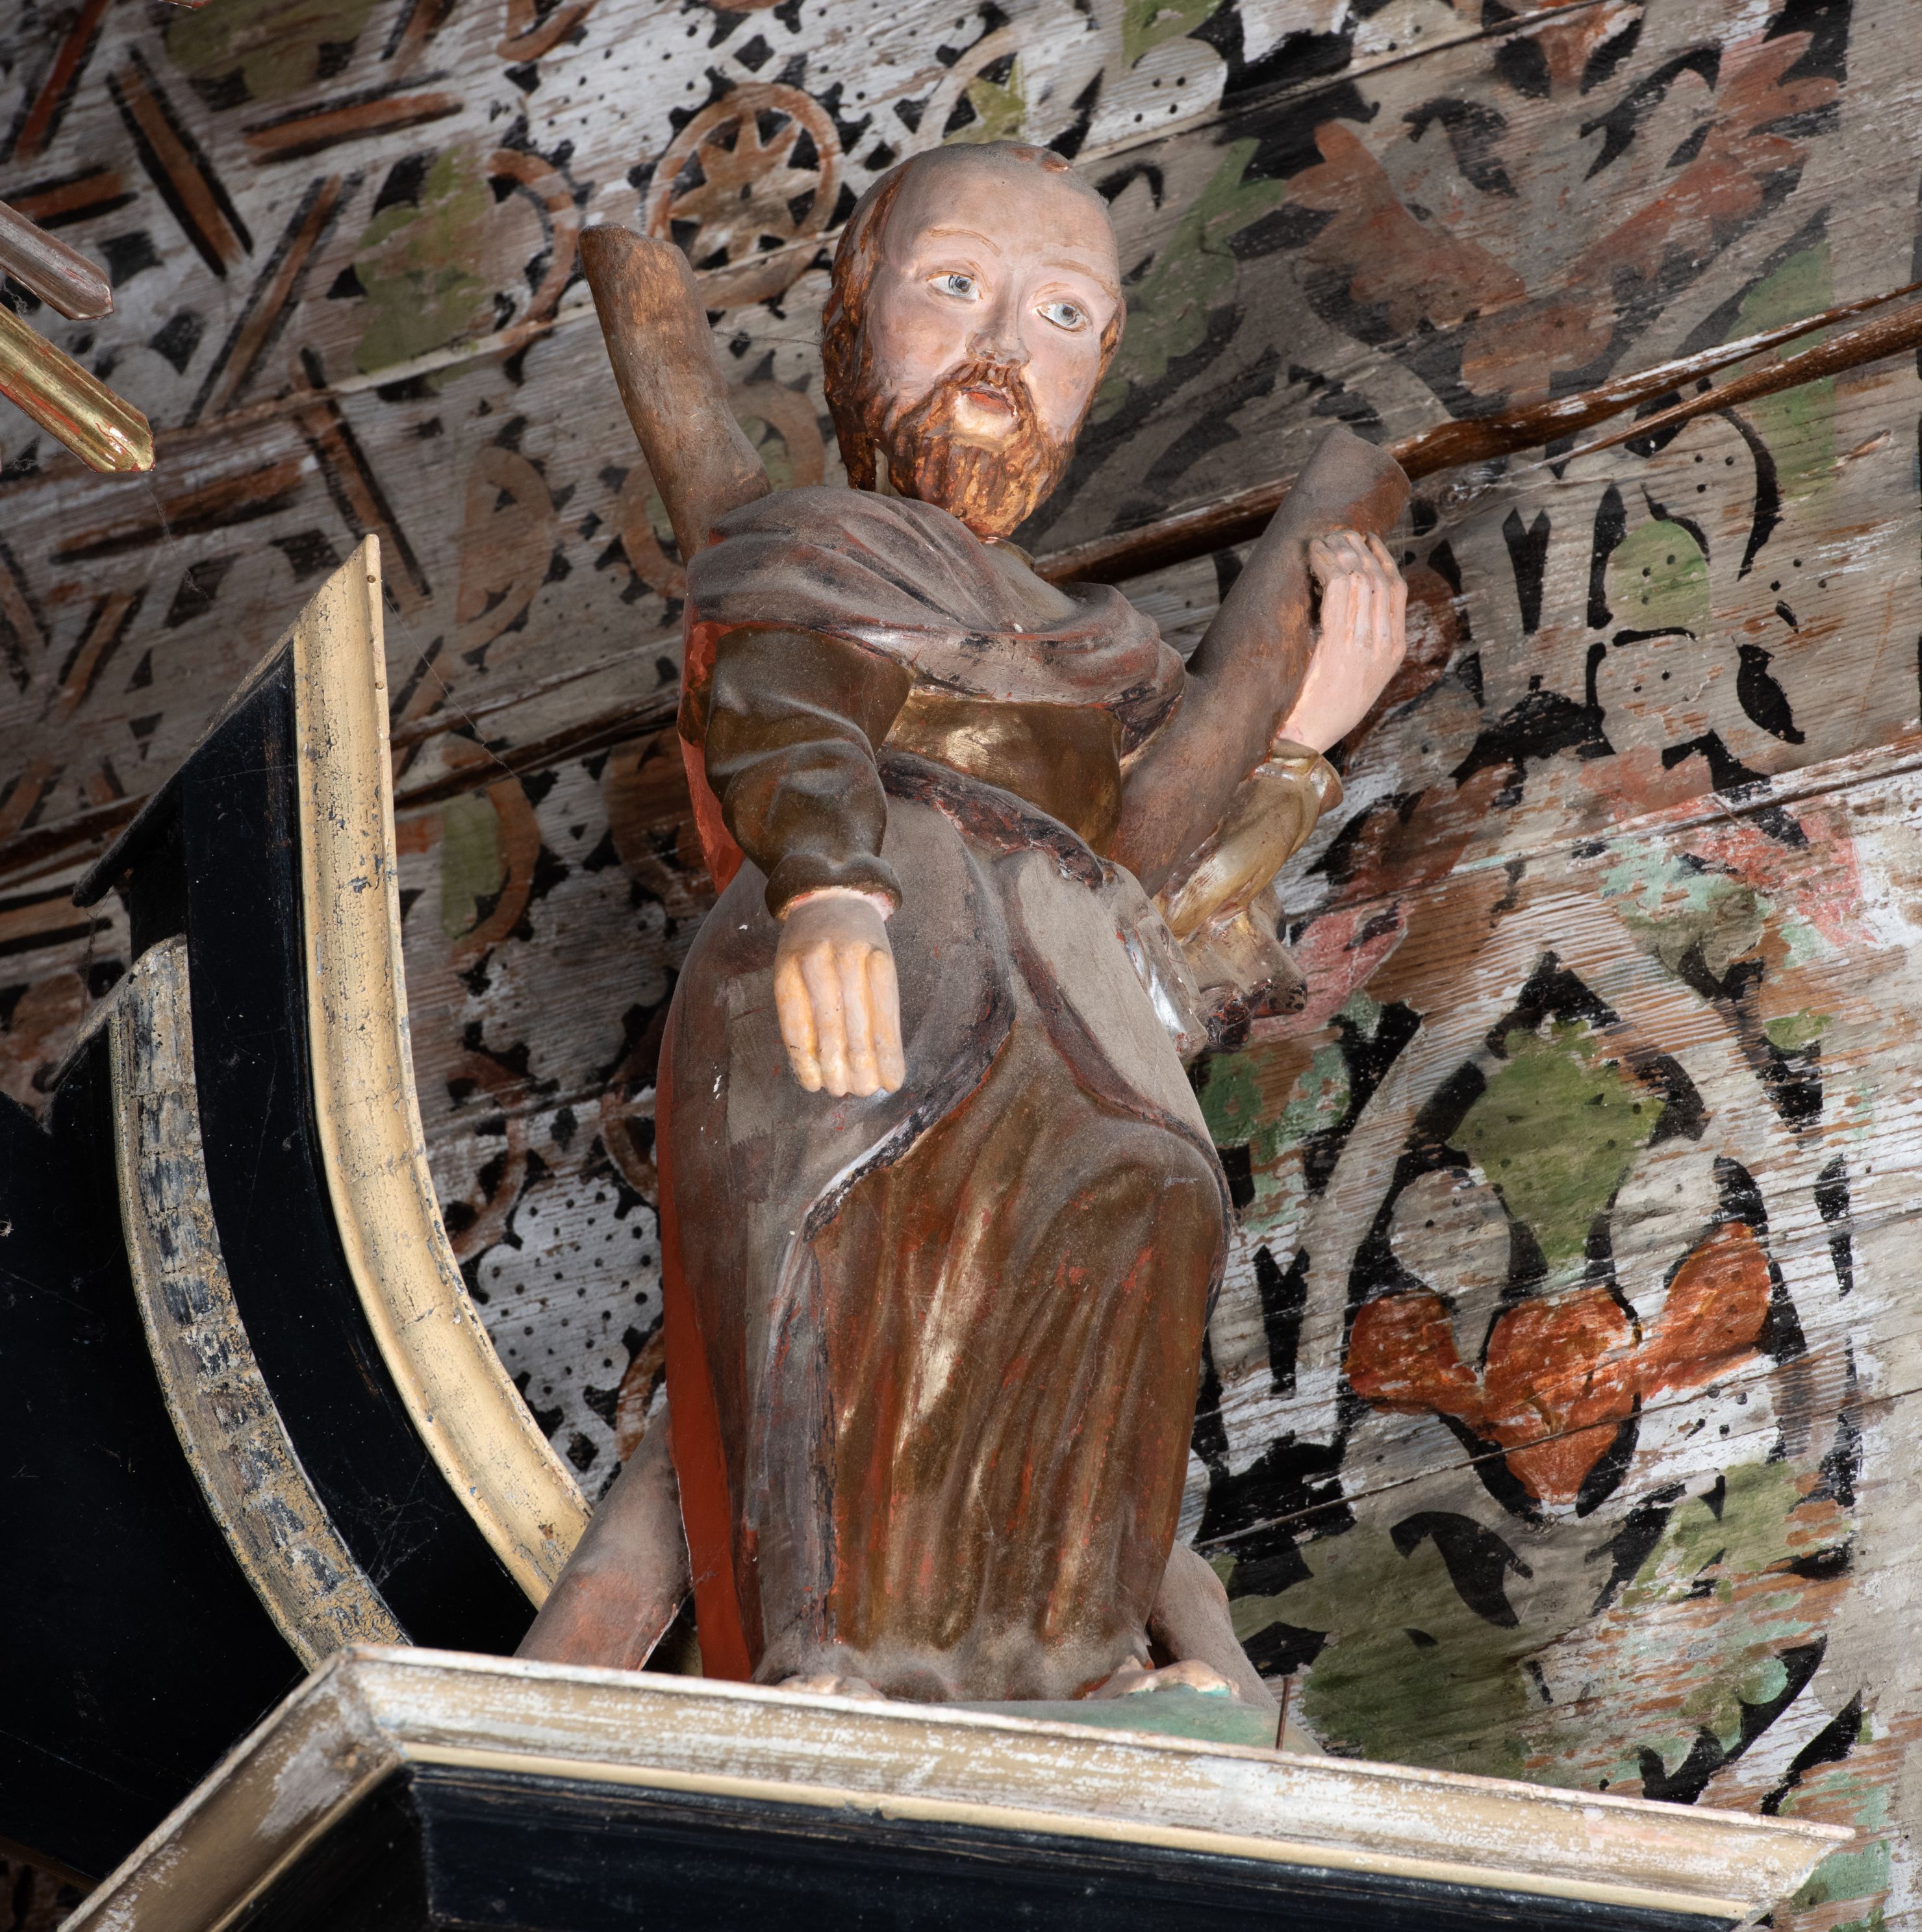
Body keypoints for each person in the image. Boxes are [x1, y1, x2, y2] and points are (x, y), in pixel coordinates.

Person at [523, 140, 1408, 1711]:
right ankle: (832, 1651)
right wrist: (830, 886)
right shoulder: (820, 549)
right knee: (856, 1218)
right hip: (881, 957)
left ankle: (1070, 1660)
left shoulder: (1110, 651)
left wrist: (1297, 747)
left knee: (1145, 1218)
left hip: (1070, 996)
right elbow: (793, 709)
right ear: (853, 314)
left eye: (1062, 317)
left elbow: (1174, 921)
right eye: (956, 288)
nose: (1005, 348)